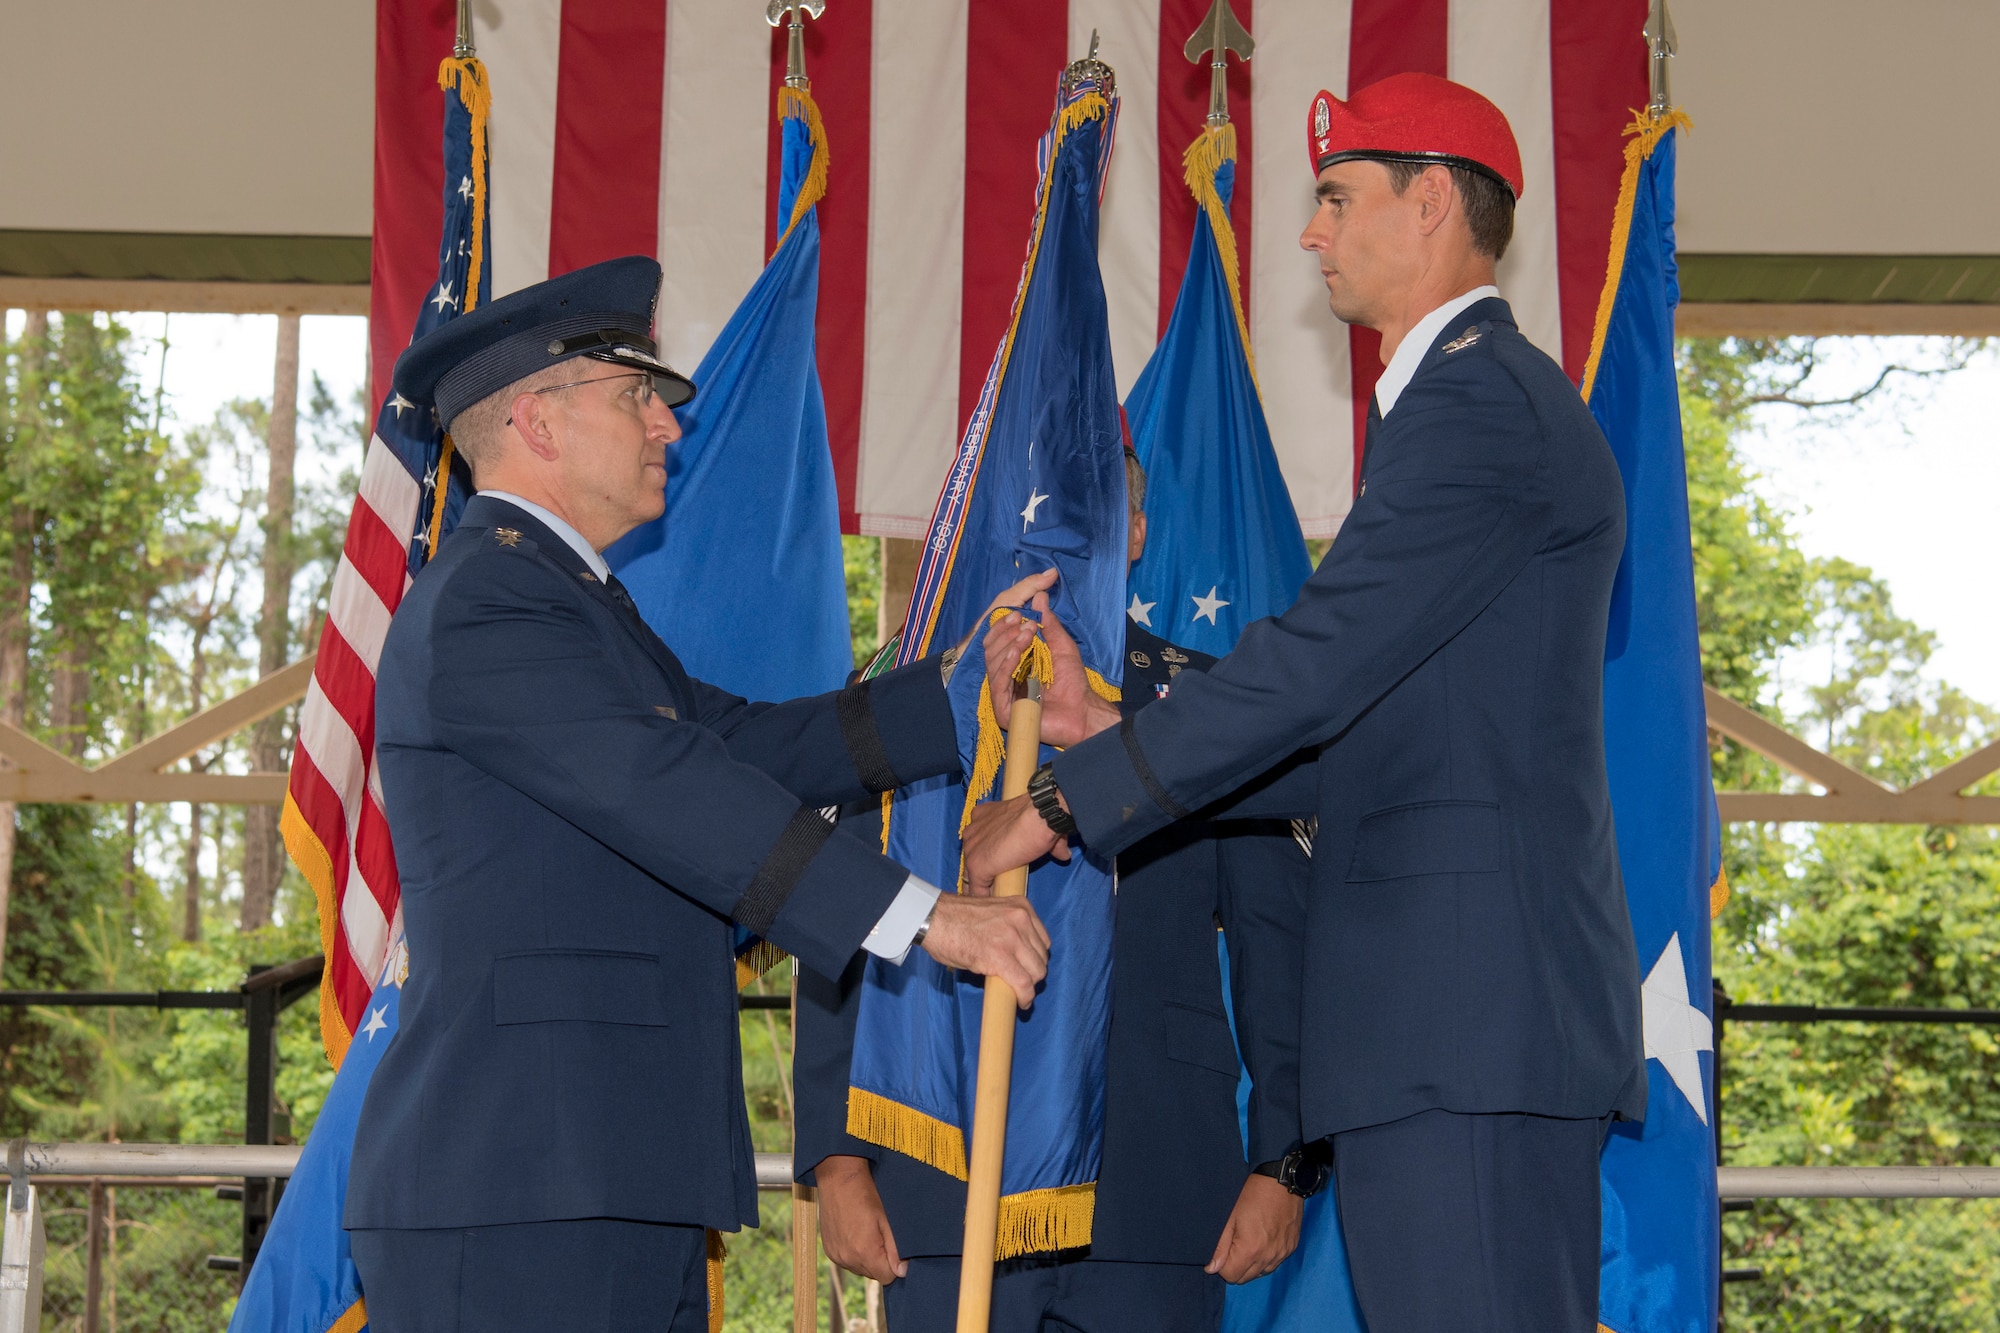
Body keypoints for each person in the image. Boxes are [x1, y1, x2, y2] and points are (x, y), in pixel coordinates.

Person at [963, 73, 1646, 1332]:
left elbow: (1320, 664)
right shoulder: (1468, 404)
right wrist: (1099, 725)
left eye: (1335, 196)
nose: (1307, 232)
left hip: (1466, 1028)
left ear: (1430, 199)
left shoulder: (1478, 405)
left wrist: (1066, 804)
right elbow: (1366, 738)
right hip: (1449, 1032)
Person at [345, 255, 1054, 1333]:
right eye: (635, 396)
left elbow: (735, 744)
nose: (667, 426)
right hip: (523, 1188)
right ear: (535, 422)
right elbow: (666, 786)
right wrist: (922, 916)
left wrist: (953, 700)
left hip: (603, 1174)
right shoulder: (491, 601)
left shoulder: (567, 602)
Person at [795, 445, 1317, 1333]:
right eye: (1034, 517)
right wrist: (837, 1161)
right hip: (940, 1179)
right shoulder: (908, 696)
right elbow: (840, 914)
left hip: (1150, 1187)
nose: (1058, 540)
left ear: (1139, 533)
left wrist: (1286, 1161)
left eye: (1092, 515)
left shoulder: (1211, 710)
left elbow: (1278, 948)